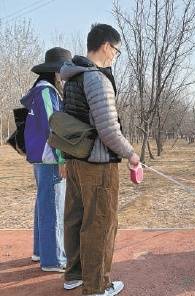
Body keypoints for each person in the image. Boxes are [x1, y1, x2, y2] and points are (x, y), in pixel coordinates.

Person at [60, 24, 140, 296]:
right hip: (98, 164)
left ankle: (74, 275)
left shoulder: (71, 78)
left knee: (75, 218)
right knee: (100, 224)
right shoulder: (96, 79)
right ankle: (97, 286)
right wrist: (131, 153)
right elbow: (108, 130)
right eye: (116, 50)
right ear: (106, 46)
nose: (116, 56)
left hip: (75, 160)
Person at [21, 47, 72, 272]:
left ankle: (41, 251)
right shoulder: (47, 92)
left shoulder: (39, 90)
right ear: (56, 71)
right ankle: (54, 260)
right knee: (53, 208)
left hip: (41, 159)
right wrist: (62, 159)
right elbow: (55, 126)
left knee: (43, 206)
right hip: (51, 159)